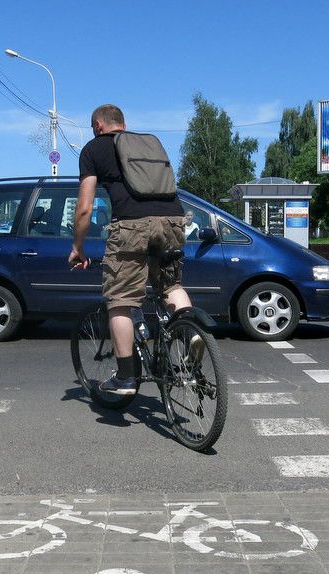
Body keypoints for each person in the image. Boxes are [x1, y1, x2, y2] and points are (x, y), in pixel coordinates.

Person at [69, 104, 202, 396]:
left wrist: (78, 246)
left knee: (120, 300)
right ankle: (191, 332)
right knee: (171, 285)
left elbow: (84, 208)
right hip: (173, 220)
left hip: (130, 225)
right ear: (123, 123)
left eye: (94, 128)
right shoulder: (148, 145)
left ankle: (126, 377)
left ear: (98, 126)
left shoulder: (93, 149)